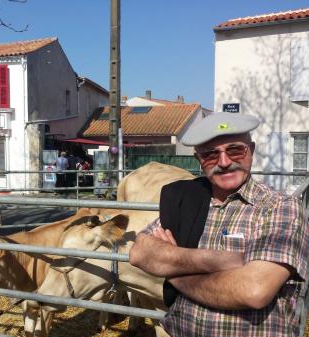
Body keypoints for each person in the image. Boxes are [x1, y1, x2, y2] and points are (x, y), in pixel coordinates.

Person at [129, 112, 308, 337]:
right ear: (199, 160)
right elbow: (139, 253)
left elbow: (253, 291)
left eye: (235, 150)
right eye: (211, 155)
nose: (224, 163)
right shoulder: (186, 200)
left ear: (250, 151)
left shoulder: (280, 207)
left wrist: (172, 269)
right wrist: (226, 260)